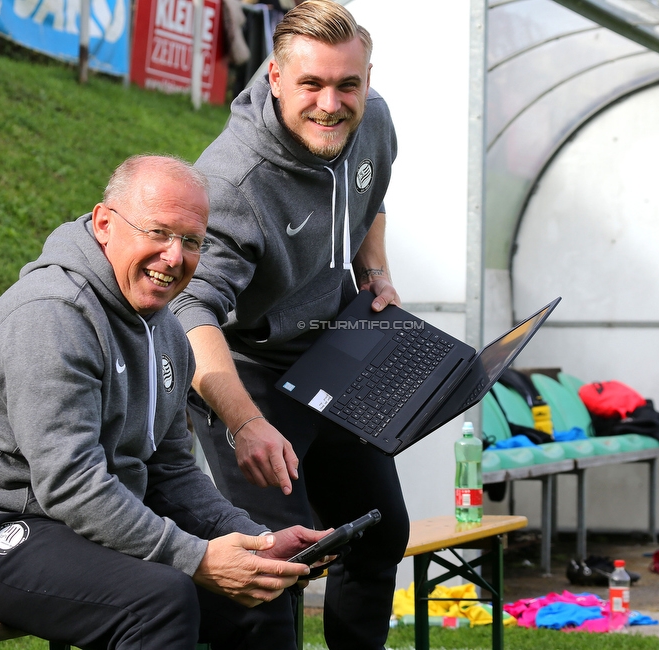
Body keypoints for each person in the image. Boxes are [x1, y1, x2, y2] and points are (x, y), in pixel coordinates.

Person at [0, 155, 330, 650]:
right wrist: (196, 558)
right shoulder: (54, 314)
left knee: (256, 593)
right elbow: (70, 481)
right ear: (105, 223)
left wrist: (255, 543)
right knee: (160, 600)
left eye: (192, 241)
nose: (175, 257)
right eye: (158, 232)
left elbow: (170, 470)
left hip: (68, 524)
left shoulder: (168, 331)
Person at [171, 1, 409, 646]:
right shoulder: (231, 183)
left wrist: (376, 272)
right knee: (273, 564)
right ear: (275, 76)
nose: (331, 103)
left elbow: (368, 197)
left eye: (347, 84)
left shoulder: (374, 119)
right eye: (312, 84)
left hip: (333, 352)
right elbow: (189, 310)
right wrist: (245, 422)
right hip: (248, 370)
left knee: (380, 529)